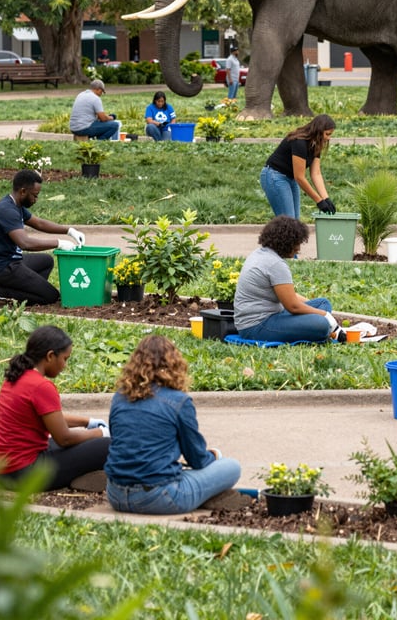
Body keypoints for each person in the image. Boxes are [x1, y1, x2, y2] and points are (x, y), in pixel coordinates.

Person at [105, 335, 242, 514]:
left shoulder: (120, 397)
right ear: (174, 363)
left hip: (116, 495)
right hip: (159, 497)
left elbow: (121, 441)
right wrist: (214, 458)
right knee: (231, 466)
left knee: (173, 470)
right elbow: (197, 459)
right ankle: (202, 494)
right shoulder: (179, 401)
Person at [0, 325, 110, 490]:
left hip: (3, 472)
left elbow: (49, 416)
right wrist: (100, 433)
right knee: (109, 445)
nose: (65, 366)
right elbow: (64, 438)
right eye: (65, 359)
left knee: (79, 440)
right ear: (50, 356)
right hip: (24, 475)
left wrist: (87, 422)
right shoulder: (41, 386)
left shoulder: (16, 376)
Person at [0, 169, 85, 305]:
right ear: (23, 191)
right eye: (35, 195)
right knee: (51, 296)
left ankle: (29, 290)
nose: (36, 199)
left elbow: (39, 223)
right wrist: (58, 243)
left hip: (11, 261)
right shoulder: (6, 210)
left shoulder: (15, 205)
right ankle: (0, 291)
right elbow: (25, 243)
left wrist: (70, 231)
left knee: (46, 261)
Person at [233, 215, 343, 343]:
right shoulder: (275, 264)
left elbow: (289, 296)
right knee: (321, 324)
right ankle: (318, 330)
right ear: (286, 242)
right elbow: (293, 307)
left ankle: (313, 324)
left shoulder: (260, 253)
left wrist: (315, 310)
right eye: (297, 243)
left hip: (268, 316)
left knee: (323, 304)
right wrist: (324, 315)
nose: (299, 249)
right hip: (256, 327)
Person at [260, 114, 336, 219]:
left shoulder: (316, 144)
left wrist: (326, 198)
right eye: (327, 134)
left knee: (295, 222)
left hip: (290, 179)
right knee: (289, 222)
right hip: (275, 176)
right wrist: (319, 201)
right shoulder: (299, 142)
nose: (329, 138)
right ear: (318, 131)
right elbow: (299, 177)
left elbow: (316, 173)